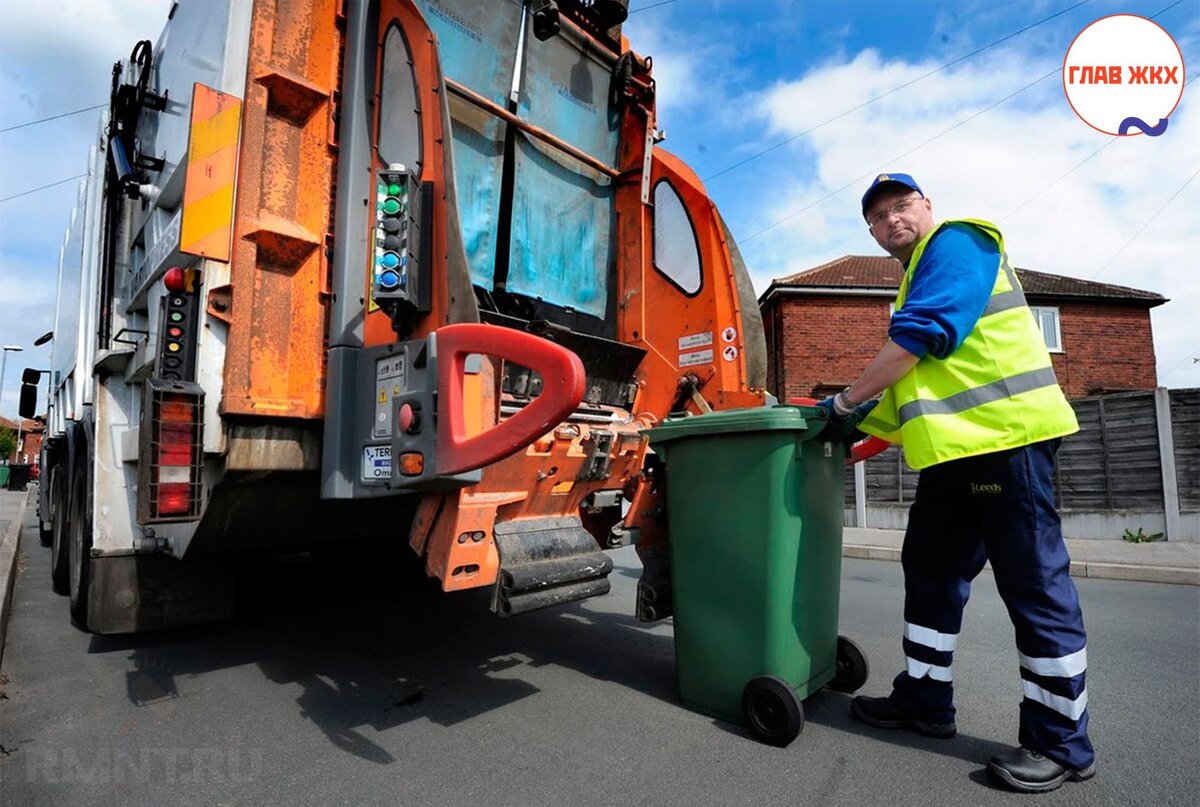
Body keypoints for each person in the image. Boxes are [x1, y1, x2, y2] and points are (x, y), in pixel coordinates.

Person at [820, 173, 1095, 794]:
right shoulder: (914, 278)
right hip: (954, 459)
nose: (891, 220)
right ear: (870, 232)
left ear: (927, 207)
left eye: (901, 206)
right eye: (878, 216)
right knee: (931, 570)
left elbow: (920, 337)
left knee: (1034, 586)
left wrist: (841, 403)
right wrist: (842, 441)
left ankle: (1062, 743)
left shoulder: (958, 242)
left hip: (1007, 442)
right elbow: (906, 395)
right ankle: (924, 700)